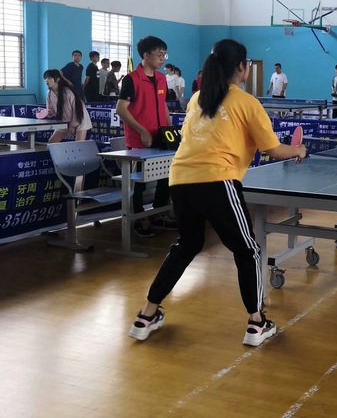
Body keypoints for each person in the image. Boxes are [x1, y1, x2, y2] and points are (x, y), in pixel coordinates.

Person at [128, 38, 307, 347]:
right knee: (248, 250)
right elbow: (273, 149)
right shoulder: (247, 102)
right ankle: (257, 323)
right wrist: (299, 149)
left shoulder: (197, 98)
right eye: (246, 64)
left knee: (187, 245)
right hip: (217, 180)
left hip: (180, 180)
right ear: (241, 68)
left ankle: (146, 315)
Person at [117, 36, 175, 238]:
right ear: (146, 55)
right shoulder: (131, 79)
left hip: (160, 138)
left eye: (164, 54)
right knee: (139, 183)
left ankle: (159, 213)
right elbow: (121, 109)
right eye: (159, 55)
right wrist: (142, 130)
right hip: (139, 141)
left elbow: (163, 104)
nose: (162, 59)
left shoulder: (161, 78)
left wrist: (169, 128)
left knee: (166, 177)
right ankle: (139, 218)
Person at [42, 69, 92, 143]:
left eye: (49, 78)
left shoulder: (67, 93)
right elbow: (51, 110)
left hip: (80, 118)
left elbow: (75, 110)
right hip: (65, 121)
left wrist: (73, 126)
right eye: (45, 78)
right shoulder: (49, 93)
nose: (46, 80)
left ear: (58, 79)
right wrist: (47, 112)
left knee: (78, 145)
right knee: (52, 142)